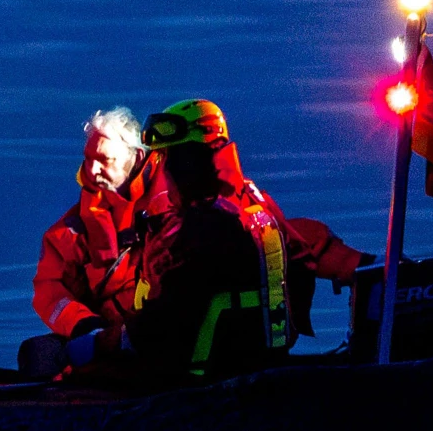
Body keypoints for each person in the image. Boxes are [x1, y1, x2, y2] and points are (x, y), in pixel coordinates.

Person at [113, 98, 365, 385]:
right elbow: (300, 260)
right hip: (265, 364)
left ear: (186, 161)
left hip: (206, 379)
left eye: (166, 158)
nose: (162, 171)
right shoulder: (255, 202)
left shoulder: (199, 225)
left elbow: (162, 325)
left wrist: (97, 344)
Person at [23, 106, 148, 377]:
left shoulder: (169, 208)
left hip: (158, 332)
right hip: (104, 336)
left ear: (136, 157)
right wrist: (83, 325)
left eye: (105, 159)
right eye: (88, 158)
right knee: (37, 354)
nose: (92, 169)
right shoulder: (72, 229)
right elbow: (49, 289)